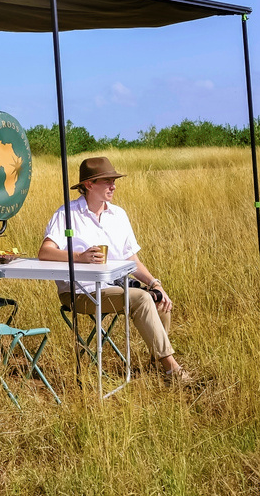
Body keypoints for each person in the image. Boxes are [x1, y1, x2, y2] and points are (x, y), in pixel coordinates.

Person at [38, 156, 192, 383]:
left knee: (158, 300)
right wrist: (80, 257)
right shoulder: (66, 214)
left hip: (116, 288)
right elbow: (45, 252)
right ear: (89, 185)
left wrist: (155, 283)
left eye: (114, 180)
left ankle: (156, 364)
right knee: (140, 298)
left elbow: (131, 259)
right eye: (107, 181)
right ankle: (172, 368)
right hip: (81, 293)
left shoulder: (119, 215)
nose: (113, 186)